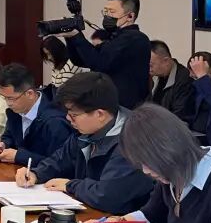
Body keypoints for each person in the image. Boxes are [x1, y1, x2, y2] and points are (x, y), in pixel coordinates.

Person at [16, 72, 153, 214]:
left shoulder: (133, 140)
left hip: (125, 220)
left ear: (100, 114)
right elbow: (60, 160)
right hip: (92, 211)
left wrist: (70, 185)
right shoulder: (85, 130)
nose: (68, 118)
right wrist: (36, 173)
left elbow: (108, 196)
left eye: (74, 115)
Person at [63, 0, 151, 110]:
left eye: (112, 12)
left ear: (130, 16)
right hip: (106, 105)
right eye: (106, 11)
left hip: (125, 110)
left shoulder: (134, 38)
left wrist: (77, 36)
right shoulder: (114, 37)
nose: (107, 15)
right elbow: (80, 60)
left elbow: (100, 63)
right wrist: (70, 37)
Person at [0, 63, 70, 165]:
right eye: (4, 97)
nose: (8, 103)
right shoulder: (15, 112)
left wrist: (19, 157)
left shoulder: (55, 121)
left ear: (30, 94)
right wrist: (3, 145)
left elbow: (59, 164)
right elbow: (9, 136)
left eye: (11, 98)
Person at [149, 40, 196, 125]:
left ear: (166, 61)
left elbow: (179, 115)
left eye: (151, 65)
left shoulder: (185, 79)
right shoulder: (152, 76)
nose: (148, 69)